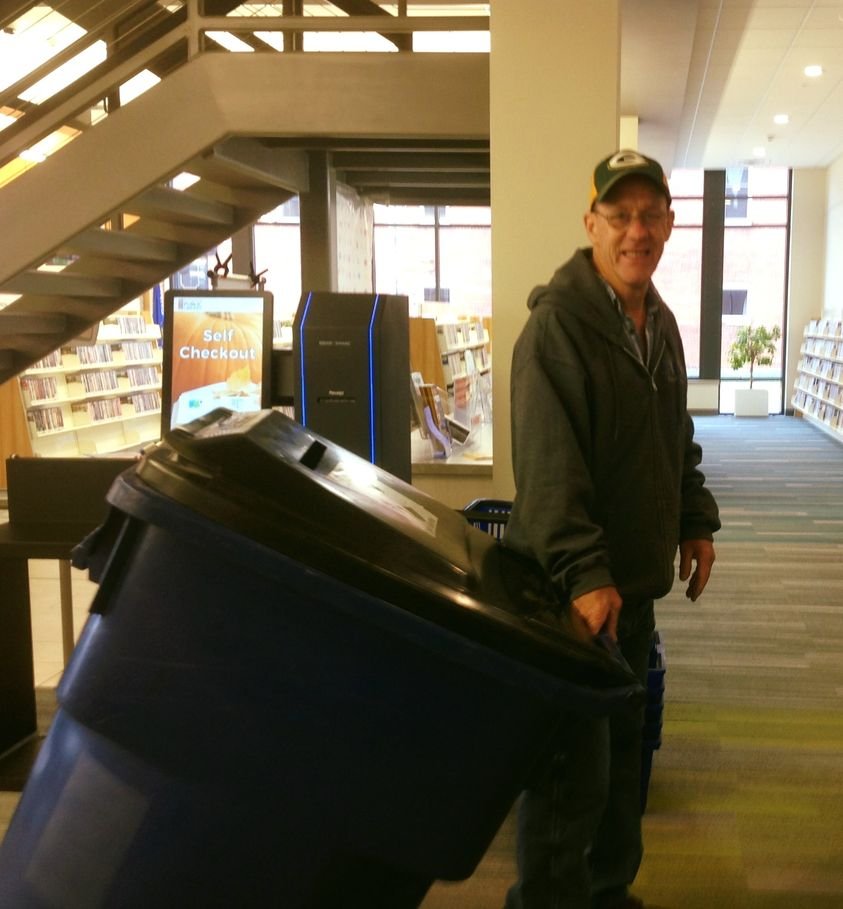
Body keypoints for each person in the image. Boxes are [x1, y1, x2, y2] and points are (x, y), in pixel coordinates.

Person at [503, 149, 721, 909]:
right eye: (619, 216)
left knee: (623, 762)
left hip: (631, 590)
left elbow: (673, 433)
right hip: (575, 598)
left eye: (649, 215)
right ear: (590, 222)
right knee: (571, 775)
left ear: (668, 222)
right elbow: (549, 468)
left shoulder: (656, 321)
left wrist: (693, 516)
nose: (636, 231)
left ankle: (605, 892)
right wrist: (584, 575)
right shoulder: (556, 330)